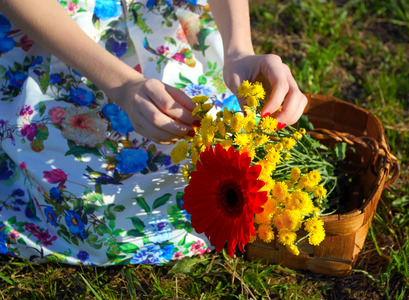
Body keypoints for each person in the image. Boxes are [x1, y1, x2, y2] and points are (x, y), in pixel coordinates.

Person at [0, 0, 307, 265]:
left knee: (219, 150)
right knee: (88, 202)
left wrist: (239, 50)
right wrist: (122, 85)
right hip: (57, 31)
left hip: (162, 20)